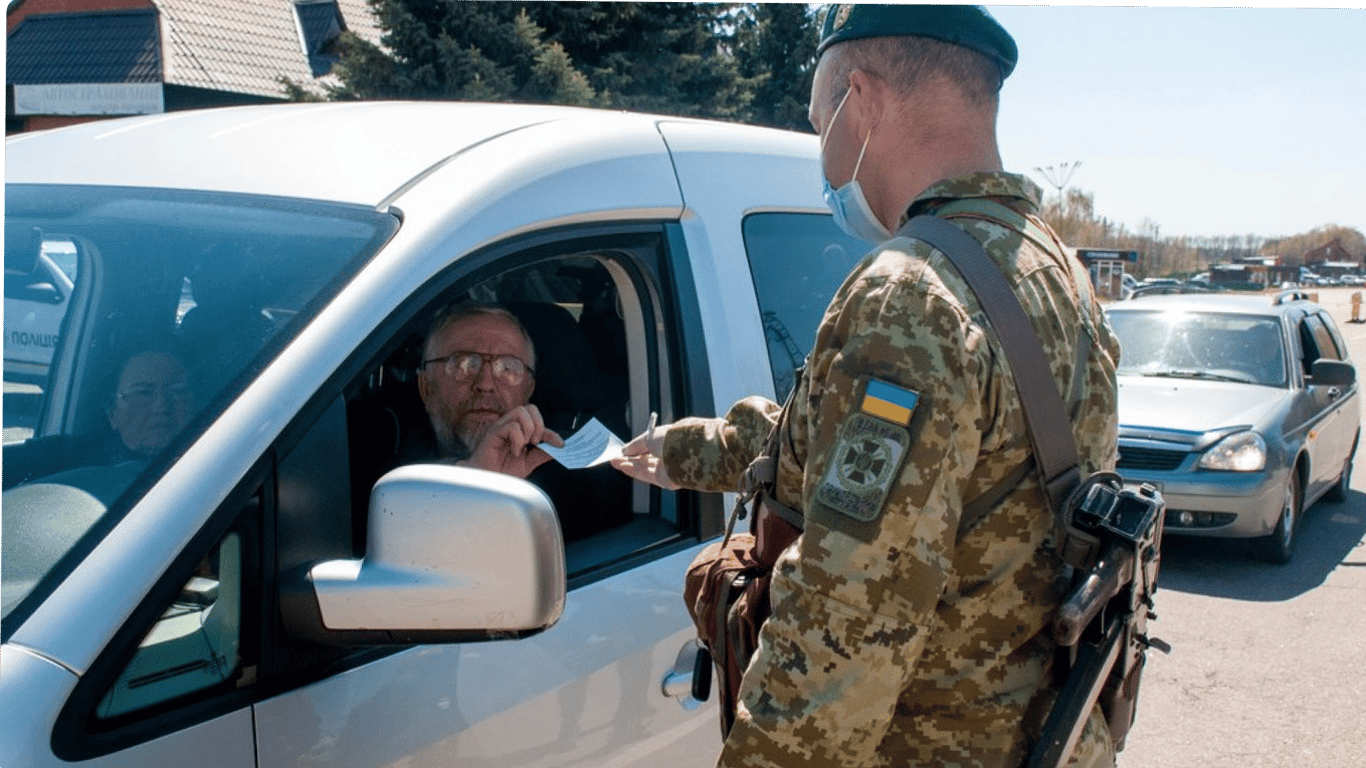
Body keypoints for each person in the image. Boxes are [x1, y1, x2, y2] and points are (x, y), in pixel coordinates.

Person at [612, 5, 1121, 767]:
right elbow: (825, 439)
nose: (824, 154)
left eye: (822, 123)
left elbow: (845, 632)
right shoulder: (1055, 271)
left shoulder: (910, 294)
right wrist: (679, 451)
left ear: (864, 99)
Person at [412, 301, 631, 541]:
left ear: (528, 391)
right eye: (465, 364)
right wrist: (475, 482)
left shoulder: (579, 498)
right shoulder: (382, 473)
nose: (485, 384)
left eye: (508, 368)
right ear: (426, 389)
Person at [107, 349, 194, 458]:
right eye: (142, 393)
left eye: (176, 391)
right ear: (111, 412)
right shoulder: (92, 473)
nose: (161, 408)